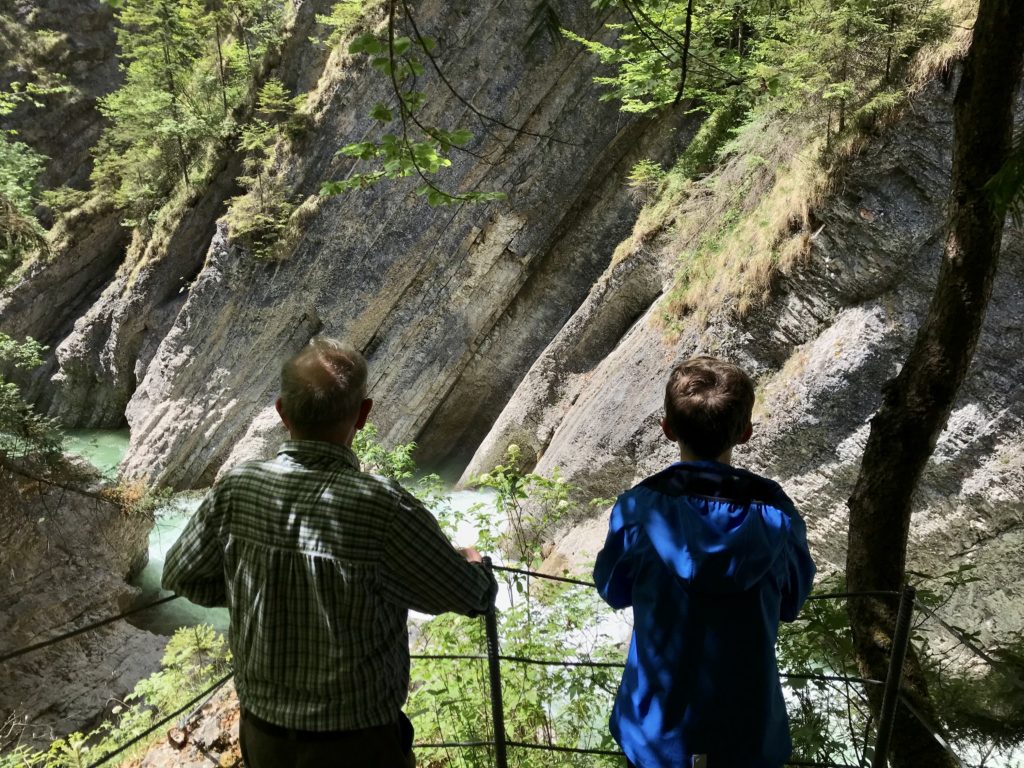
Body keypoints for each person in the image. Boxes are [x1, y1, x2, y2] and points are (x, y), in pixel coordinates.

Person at [162, 336, 496, 768]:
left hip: (263, 738)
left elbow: (180, 574)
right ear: (363, 415)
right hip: (357, 748)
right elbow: (473, 596)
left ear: (282, 413)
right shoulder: (384, 509)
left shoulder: (236, 489)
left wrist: (263, 586)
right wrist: (473, 564)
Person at [593, 357, 816, 768]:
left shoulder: (640, 509)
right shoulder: (778, 514)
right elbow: (791, 602)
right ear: (746, 432)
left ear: (667, 428)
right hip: (748, 733)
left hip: (654, 734)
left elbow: (613, 590)